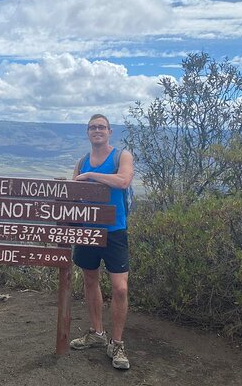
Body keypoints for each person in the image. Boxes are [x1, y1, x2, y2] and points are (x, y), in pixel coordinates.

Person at [70, 113, 134, 370]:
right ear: (88, 132)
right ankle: (97, 332)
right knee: (89, 279)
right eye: (92, 127)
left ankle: (116, 342)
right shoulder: (82, 161)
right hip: (87, 230)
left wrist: (90, 177)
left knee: (120, 288)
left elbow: (123, 181)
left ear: (109, 132)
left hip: (115, 230)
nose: (97, 130)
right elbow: (73, 194)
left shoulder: (121, 156)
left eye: (101, 127)